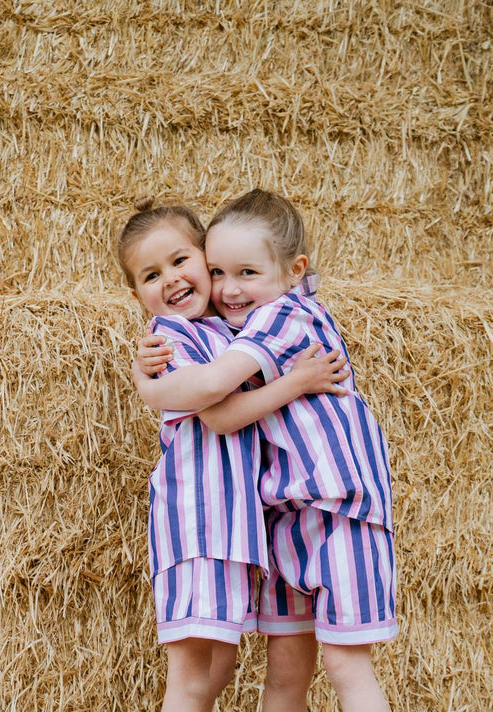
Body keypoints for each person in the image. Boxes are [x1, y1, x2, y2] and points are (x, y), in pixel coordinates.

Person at [133, 189, 395, 712]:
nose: (229, 289)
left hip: (337, 505)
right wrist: (147, 380)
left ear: (295, 270)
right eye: (220, 272)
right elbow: (208, 390)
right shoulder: (217, 329)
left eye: (246, 273)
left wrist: (153, 386)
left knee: (345, 665)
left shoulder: (284, 316)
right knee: (285, 672)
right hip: (281, 519)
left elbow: (215, 399)